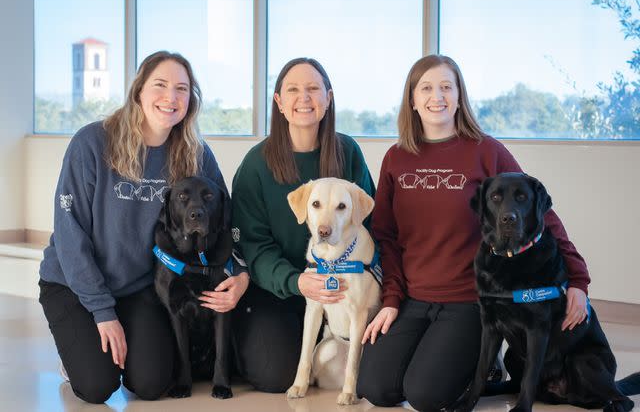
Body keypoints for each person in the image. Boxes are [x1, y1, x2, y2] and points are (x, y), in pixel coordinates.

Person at [356, 55, 591, 411]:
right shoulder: (396, 157)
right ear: (412, 100)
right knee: (377, 389)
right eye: (427, 88)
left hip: (471, 300)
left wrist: (577, 278)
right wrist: (391, 300)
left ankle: (485, 359)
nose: (438, 96)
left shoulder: (486, 150)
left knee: (425, 396)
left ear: (459, 95)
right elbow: (385, 235)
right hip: (412, 298)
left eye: (447, 87)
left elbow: (541, 214)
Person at [38, 51, 249, 404]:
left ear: (190, 101)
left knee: (152, 384)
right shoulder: (91, 143)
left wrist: (239, 273)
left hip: (138, 287)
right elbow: (69, 236)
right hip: (74, 285)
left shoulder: (196, 152)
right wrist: (103, 313)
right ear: (138, 91)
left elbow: (227, 219)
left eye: (182, 89)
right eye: (160, 85)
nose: (171, 97)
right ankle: (76, 357)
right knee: (96, 386)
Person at [230, 57, 375, 393]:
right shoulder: (256, 165)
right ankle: (246, 346)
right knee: (275, 376)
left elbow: (370, 225)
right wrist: (297, 281)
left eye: (313, 89)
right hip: (277, 290)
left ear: (328, 98)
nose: (304, 98)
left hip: (341, 287)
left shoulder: (347, 152)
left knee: (380, 377)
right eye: (293, 90)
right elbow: (253, 247)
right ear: (279, 102)